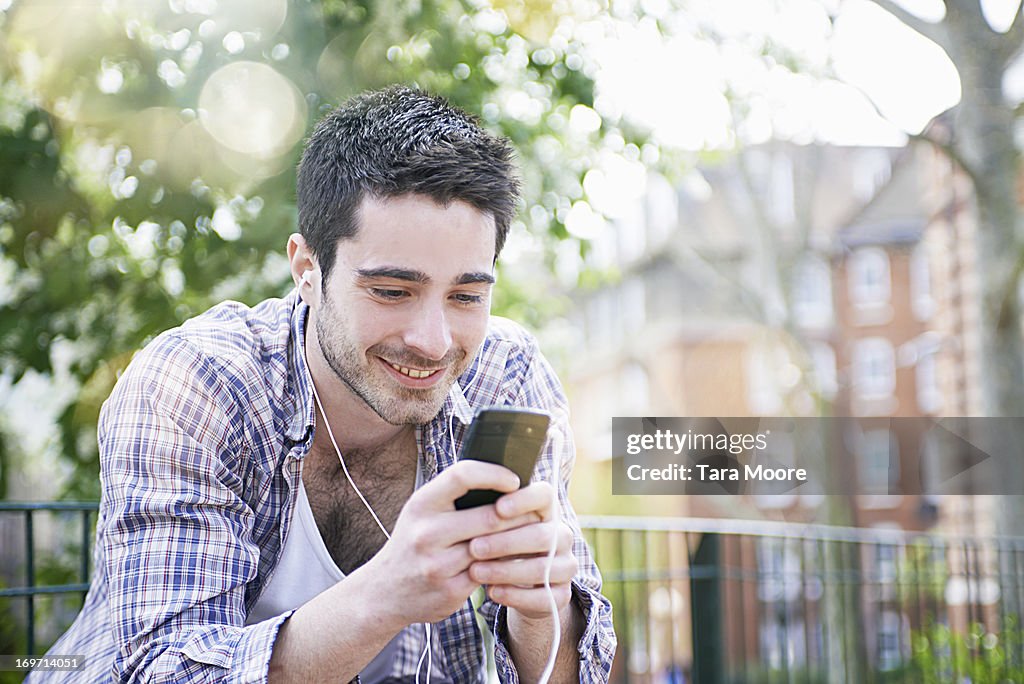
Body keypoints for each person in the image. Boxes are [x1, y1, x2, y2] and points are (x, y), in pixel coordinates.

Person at [34, 87, 616, 683]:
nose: (434, 341)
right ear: (307, 271)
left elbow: (574, 669)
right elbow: (165, 671)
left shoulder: (506, 375)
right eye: (392, 291)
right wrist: (387, 592)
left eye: (467, 296)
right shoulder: (195, 385)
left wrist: (541, 608)